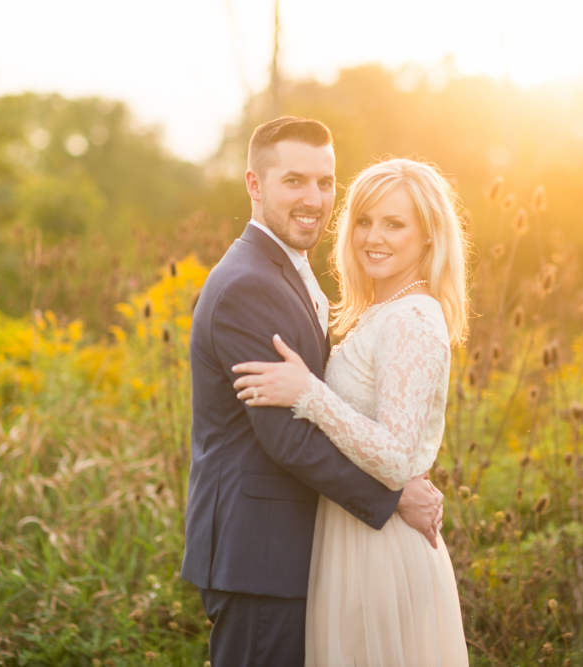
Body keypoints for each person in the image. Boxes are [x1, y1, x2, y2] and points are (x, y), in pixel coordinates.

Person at [180, 117, 444, 667]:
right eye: (294, 181)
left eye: (326, 183)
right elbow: (286, 438)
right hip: (262, 554)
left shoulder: (288, 271)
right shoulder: (249, 284)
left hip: (299, 551)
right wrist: (392, 498)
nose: (315, 198)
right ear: (254, 184)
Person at [231, 157, 470, 666]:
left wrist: (308, 394)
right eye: (364, 220)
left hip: (380, 551)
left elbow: (396, 458)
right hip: (354, 537)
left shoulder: (412, 319)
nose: (372, 237)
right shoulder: (382, 312)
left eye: (394, 224)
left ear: (428, 237)